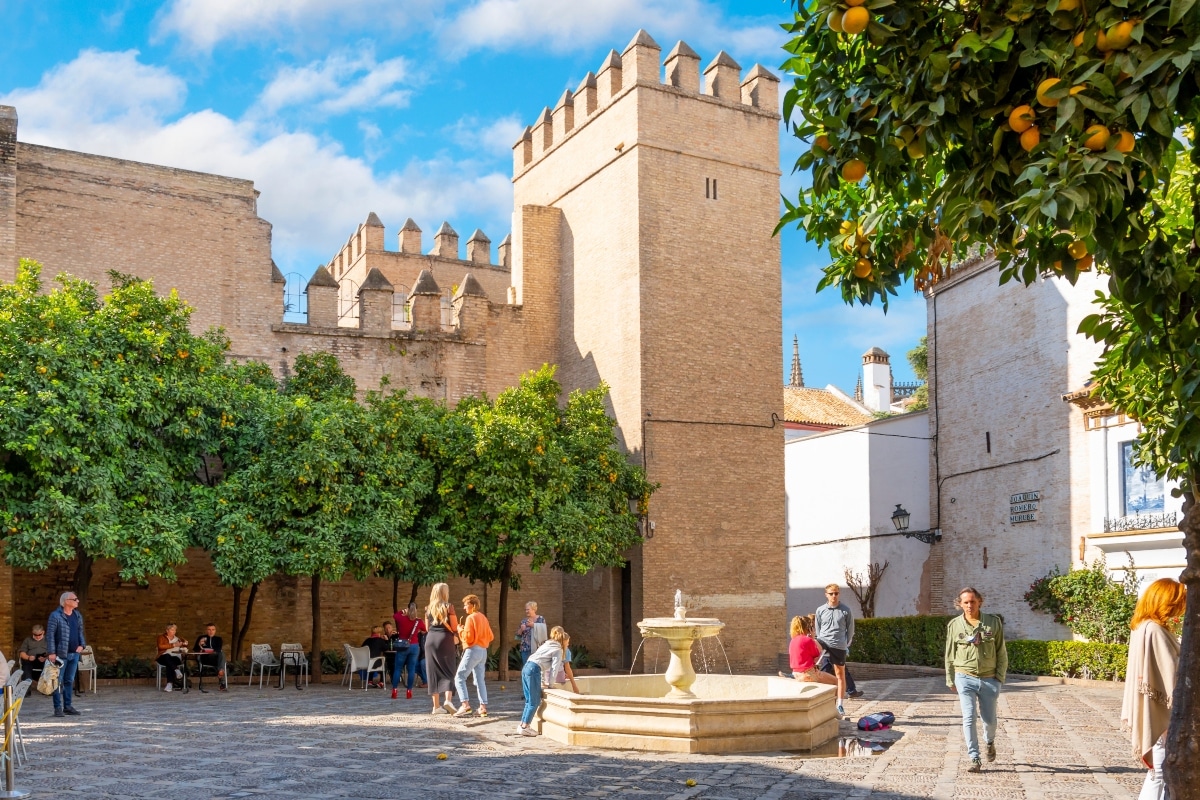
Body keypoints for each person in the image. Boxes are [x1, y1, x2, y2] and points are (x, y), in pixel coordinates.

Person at [1121, 577, 1186, 800]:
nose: (1179, 609)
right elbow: (1171, 671)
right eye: (1176, 602)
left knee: (1157, 773)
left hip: (1153, 706)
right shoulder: (1155, 630)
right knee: (1159, 772)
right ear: (1164, 601)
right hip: (1161, 710)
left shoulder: (1142, 626)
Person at [945, 586, 1007, 773]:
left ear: (979, 601)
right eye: (966, 602)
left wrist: (999, 678)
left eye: (973, 601)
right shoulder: (954, 625)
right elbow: (949, 654)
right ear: (960, 604)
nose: (970, 605)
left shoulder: (993, 623)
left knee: (990, 721)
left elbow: (1001, 651)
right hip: (964, 676)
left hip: (989, 679)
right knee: (969, 717)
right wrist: (950, 678)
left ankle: (989, 742)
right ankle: (974, 757)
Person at [517, 626, 575, 736]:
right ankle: (526, 726)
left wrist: (543, 681)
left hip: (526, 668)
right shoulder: (558, 650)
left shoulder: (547, 644)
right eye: (567, 643)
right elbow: (554, 668)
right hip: (534, 670)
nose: (568, 645)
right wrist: (551, 684)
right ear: (564, 641)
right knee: (534, 702)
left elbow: (541, 662)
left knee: (529, 700)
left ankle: (522, 725)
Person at [815, 584, 856, 716]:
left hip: (839, 645)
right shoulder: (820, 610)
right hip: (824, 642)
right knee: (817, 666)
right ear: (826, 594)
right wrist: (821, 640)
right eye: (831, 593)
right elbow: (818, 628)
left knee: (840, 675)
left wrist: (845, 644)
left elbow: (850, 630)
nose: (834, 596)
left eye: (836, 593)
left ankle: (839, 704)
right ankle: (798, 671)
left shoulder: (845, 610)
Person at [45, 591, 86, 717]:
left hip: (74, 653)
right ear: (66, 601)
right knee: (57, 681)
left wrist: (82, 645)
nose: (77, 601)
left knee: (69, 680)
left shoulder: (77, 615)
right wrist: (51, 652)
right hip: (60, 655)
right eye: (75, 599)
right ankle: (58, 708)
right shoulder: (55, 616)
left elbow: (80, 632)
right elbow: (50, 635)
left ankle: (68, 706)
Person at [454, 594, 494, 718]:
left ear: (472, 605)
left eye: (466, 605)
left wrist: (460, 630)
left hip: (473, 650)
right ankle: (483, 708)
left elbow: (469, 637)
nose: (464, 608)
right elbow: (491, 636)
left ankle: (465, 705)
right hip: (483, 651)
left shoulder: (471, 618)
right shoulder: (483, 617)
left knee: (459, 677)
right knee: (479, 680)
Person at [425, 583, 460, 714]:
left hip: (430, 640)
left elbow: (427, 628)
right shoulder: (449, 607)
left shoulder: (428, 609)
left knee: (432, 671)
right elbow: (454, 626)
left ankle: (436, 707)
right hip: (445, 639)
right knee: (449, 670)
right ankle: (448, 701)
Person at [787, 615, 837, 685]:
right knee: (836, 681)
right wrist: (813, 638)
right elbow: (817, 656)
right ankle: (839, 696)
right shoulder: (808, 640)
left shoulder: (793, 640)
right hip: (808, 674)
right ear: (808, 628)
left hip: (796, 673)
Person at [391, 603, 427, 700]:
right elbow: (424, 630)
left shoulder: (402, 619)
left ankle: (394, 691)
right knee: (411, 669)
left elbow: (395, 615)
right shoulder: (418, 621)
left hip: (402, 646)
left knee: (398, 669)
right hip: (414, 646)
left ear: (408, 609)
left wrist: (403, 611)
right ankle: (409, 691)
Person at [156, 623, 188, 693]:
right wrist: (173, 645)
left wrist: (184, 644)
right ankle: (176, 670)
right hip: (163, 657)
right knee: (167, 656)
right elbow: (160, 646)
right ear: (167, 630)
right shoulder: (161, 637)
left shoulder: (178, 639)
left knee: (170, 663)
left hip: (175, 658)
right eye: (172, 630)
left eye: (175, 630)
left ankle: (169, 684)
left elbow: (183, 648)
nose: (174, 632)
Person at [195, 622, 227, 691]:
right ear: (206, 630)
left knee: (221, 654)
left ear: (215, 631)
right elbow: (195, 649)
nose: (211, 631)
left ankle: (221, 672)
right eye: (209, 629)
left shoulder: (218, 639)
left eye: (213, 629)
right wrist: (200, 645)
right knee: (221, 657)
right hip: (205, 658)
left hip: (215, 658)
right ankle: (222, 681)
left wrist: (210, 650)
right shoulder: (201, 638)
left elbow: (218, 649)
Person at [515, 601, 547, 665]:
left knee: (536, 667)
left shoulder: (541, 619)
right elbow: (517, 635)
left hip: (538, 648)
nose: (526, 611)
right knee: (526, 666)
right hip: (525, 648)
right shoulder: (524, 621)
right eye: (525, 610)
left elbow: (544, 631)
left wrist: (534, 625)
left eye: (528, 609)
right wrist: (521, 629)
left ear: (533, 609)